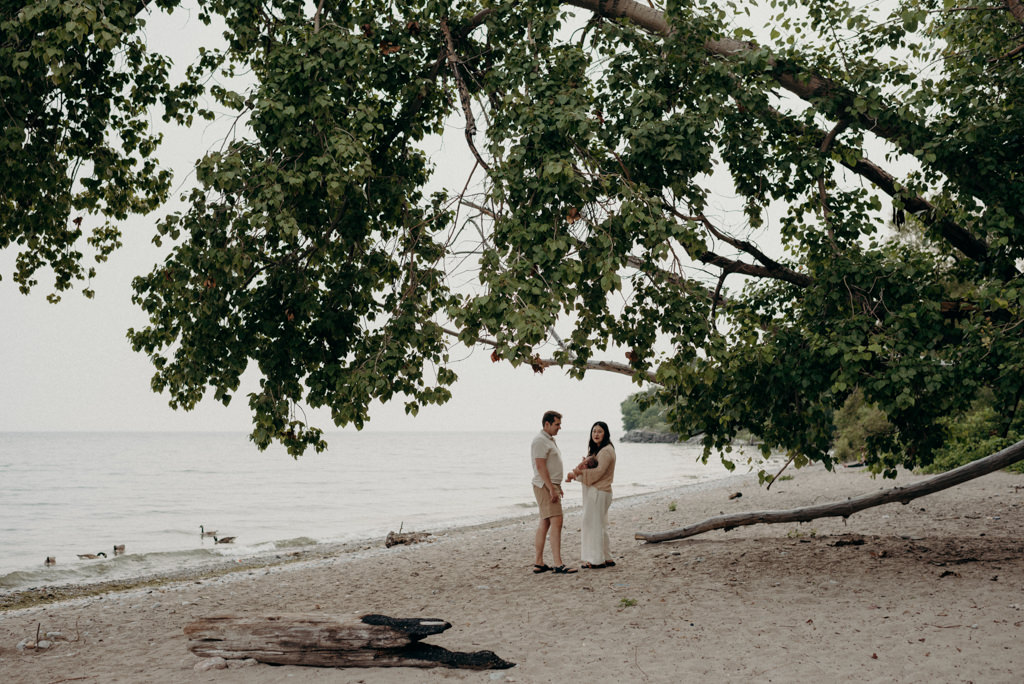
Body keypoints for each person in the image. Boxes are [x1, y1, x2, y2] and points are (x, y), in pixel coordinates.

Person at [566, 421, 617, 569]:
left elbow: (598, 473)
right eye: (594, 431)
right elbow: (593, 468)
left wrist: (577, 475)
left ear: (605, 433)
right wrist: (579, 471)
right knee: (600, 526)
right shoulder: (600, 451)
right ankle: (606, 557)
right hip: (601, 492)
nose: (596, 434)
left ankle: (596, 560)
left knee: (592, 525)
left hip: (599, 492)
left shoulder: (606, 451)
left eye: (599, 431)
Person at [531, 410, 577, 574]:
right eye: (557, 424)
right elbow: (540, 466)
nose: (560, 427)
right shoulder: (539, 441)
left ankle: (539, 562)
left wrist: (557, 486)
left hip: (550, 485)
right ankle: (558, 564)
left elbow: (550, 465)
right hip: (544, 485)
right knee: (557, 521)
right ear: (547, 424)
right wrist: (551, 488)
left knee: (545, 522)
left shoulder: (549, 440)